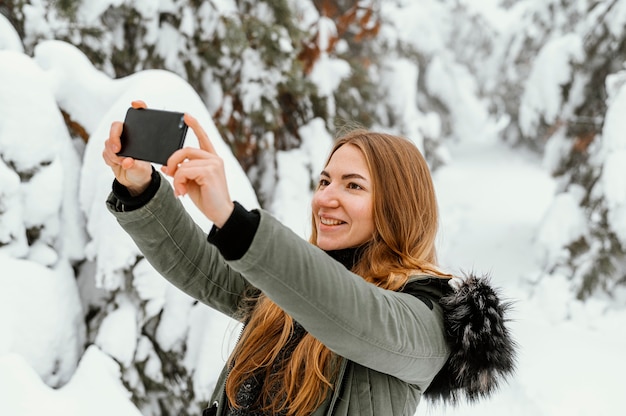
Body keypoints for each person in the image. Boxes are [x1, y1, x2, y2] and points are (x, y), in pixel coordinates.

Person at [103, 101, 516, 416]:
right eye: (324, 180)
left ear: (398, 206)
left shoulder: (427, 319)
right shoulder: (292, 286)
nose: (325, 198)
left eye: (352, 186)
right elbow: (203, 269)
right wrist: (141, 189)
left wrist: (231, 217)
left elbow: (348, 312)